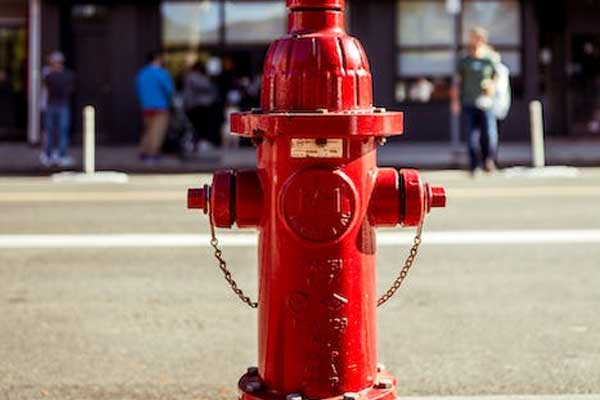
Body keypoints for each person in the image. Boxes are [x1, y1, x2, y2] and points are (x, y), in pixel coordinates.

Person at [451, 27, 498, 176]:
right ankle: (474, 165)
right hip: (468, 101)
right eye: (472, 37)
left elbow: (497, 77)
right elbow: (457, 82)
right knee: (471, 136)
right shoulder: (464, 60)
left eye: (477, 37)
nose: (474, 40)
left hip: (486, 102)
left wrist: (492, 87)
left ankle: (488, 161)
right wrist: (455, 101)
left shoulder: (489, 59)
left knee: (488, 134)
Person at [136, 51, 174, 163]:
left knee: (148, 130)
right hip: (160, 106)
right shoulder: (161, 73)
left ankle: (144, 151)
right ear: (157, 59)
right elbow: (169, 90)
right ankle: (152, 154)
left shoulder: (142, 74)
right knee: (157, 131)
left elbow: (139, 90)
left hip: (146, 106)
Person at [40, 51, 75, 168]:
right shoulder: (48, 74)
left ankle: (61, 155)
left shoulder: (67, 75)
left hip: (61, 104)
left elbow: (69, 88)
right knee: (50, 130)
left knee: (62, 130)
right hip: (51, 105)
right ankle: (49, 155)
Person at [182, 62, 218, 151]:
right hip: (198, 105)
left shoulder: (190, 76)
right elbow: (205, 86)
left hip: (195, 105)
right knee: (199, 126)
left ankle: (197, 143)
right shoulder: (193, 76)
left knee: (198, 126)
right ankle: (198, 143)